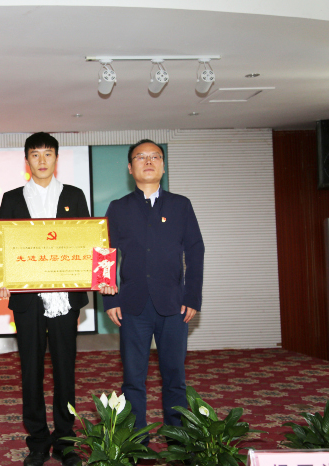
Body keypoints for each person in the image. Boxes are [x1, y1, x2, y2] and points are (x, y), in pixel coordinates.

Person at [99, 139, 204, 442]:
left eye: (155, 156)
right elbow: (104, 254)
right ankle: (137, 441)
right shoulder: (119, 208)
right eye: (140, 157)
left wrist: (192, 296)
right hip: (132, 307)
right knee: (133, 380)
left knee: (175, 377)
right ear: (130, 168)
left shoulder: (180, 205)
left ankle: (177, 439)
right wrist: (110, 298)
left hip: (174, 305)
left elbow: (195, 250)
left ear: (163, 166)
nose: (148, 161)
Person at [0, 133, 88, 466]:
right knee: (30, 370)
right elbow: (4, 246)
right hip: (27, 299)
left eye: (48, 154)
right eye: (35, 154)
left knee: (65, 369)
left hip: (64, 296)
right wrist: (3, 279)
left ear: (56, 158)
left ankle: (65, 441)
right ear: (27, 160)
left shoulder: (74, 195)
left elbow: (85, 242)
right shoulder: (12, 198)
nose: (42, 160)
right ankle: (37, 441)